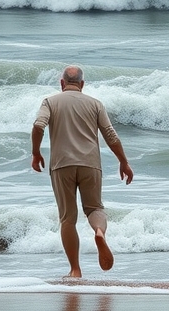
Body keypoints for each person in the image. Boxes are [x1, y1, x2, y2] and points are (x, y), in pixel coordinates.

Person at [31, 65, 133, 277]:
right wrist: (123, 161)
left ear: (61, 83)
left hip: (62, 165)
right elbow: (110, 135)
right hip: (90, 164)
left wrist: (36, 153)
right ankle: (99, 232)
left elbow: (39, 126)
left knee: (68, 218)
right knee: (95, 208)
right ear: (82, 84)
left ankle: (75, 270)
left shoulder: (50, 101)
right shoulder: (95, 104)